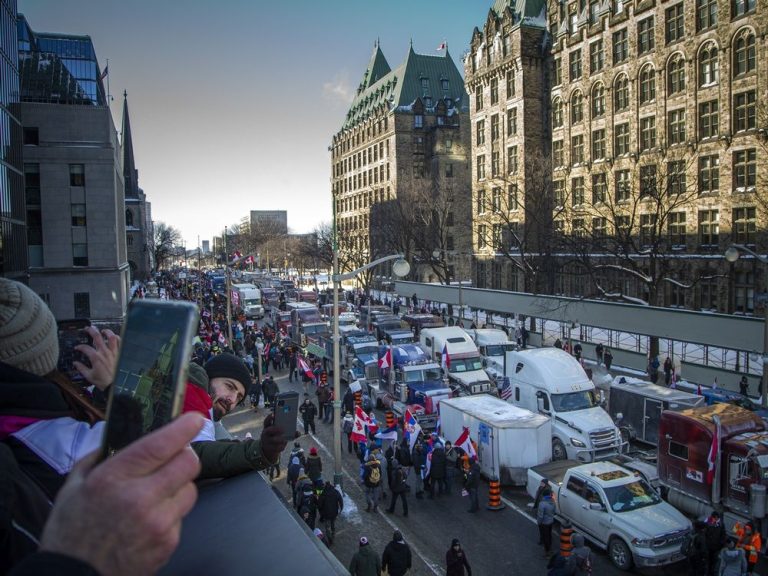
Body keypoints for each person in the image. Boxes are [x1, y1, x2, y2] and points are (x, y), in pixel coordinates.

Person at [8, 413, 203, 576]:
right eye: (229, 387)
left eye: (236, 394)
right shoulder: (46, 434)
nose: (232, 399)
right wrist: (78, 560)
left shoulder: (47, 412)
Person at [317, 481, 343, 546]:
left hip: (326, 514)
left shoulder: (323, 494)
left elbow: (319, 505)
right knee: (333, 523)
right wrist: (341, 508)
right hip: (334, 512)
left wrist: (321, 512)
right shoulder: (335, 492)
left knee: (327, 527)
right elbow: (341, 500)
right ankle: (333, 533)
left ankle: (330, 539)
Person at [705, 510, 727, 576]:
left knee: (714, 561)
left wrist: (721, 544)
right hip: (708, 546)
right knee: (708, 561)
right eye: (714, 518)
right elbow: (705, 532)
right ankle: (708, 572)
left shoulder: (721, 524)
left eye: (716, 518)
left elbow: (723, 535)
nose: (715, 519)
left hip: (716, 547)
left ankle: (711, 573)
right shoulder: (708, 522)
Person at [537, 488, 556, 556]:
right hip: (550, 521)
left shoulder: (542, 504)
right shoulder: (553, 502)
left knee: (545, 537)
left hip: (544, 523)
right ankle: (550, 546)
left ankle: (547, 551)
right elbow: (554, 512)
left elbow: (540, 516)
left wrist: (539, 522)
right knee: (549, 534)